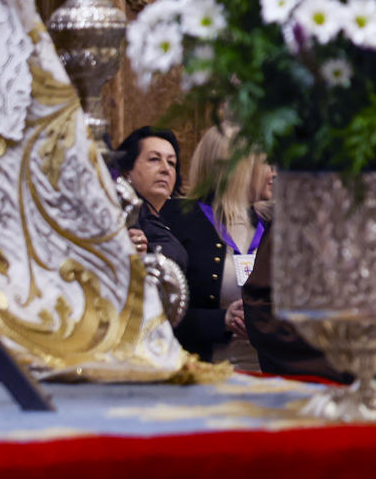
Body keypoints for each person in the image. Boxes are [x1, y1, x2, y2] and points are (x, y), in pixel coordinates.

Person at [162, 124, 272, 363]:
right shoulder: (179, 219)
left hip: (269, 374)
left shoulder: (273, 224)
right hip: (204, 374)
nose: (273, 172)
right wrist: (221, 320)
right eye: (265, 163)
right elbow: (156, 314)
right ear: (239, 167)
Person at [114, 126, 186, 273]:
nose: (165, 169)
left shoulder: (169, 218)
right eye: (154, 159)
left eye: (171, 163)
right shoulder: (119, 214)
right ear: (127, 170)